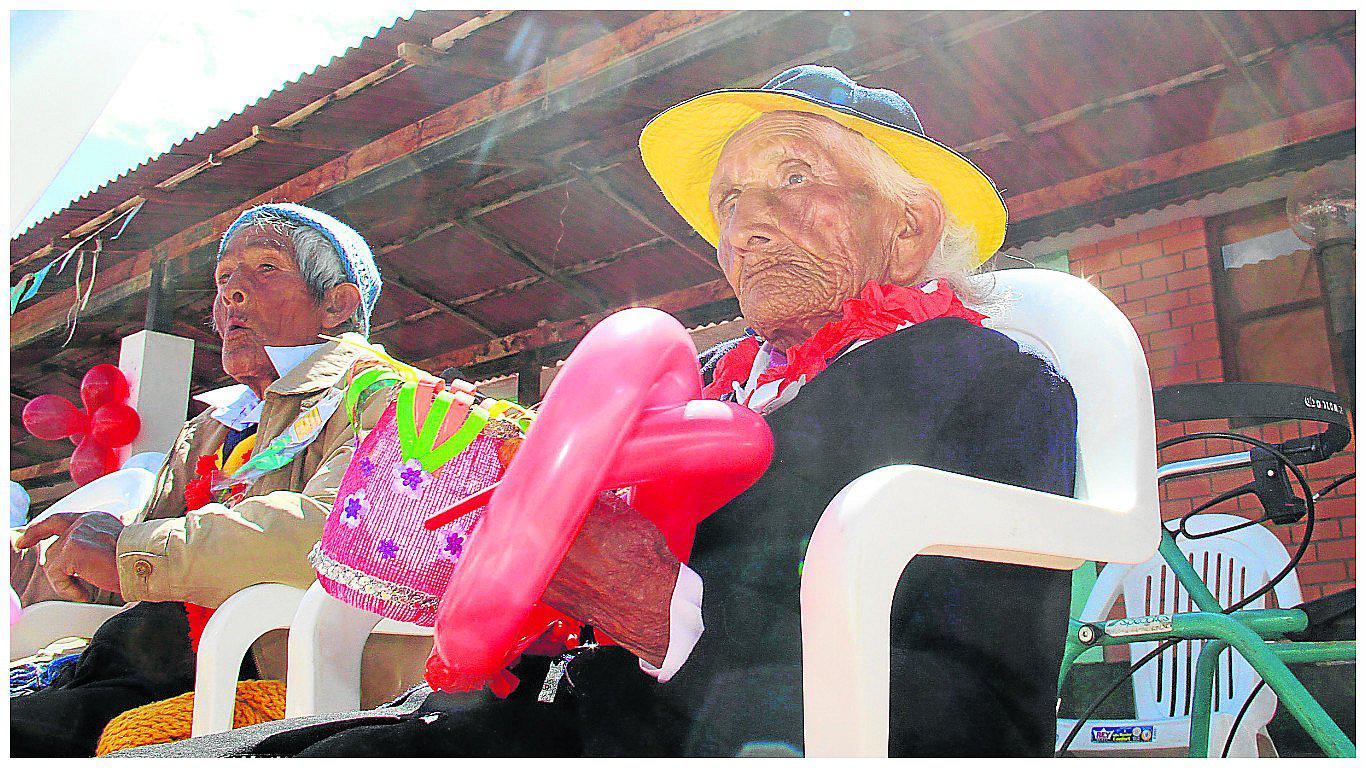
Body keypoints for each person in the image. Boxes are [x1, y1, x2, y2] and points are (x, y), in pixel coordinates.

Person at [118, 65, 1078, 758]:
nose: (742, 223)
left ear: (906, 229)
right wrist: (454, 512)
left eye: (792, 178)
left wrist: (669, 613)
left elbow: (976, 720)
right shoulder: (694, 377)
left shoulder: (986, 383)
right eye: (727, 198)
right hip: (535, 712)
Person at [9, 203, 431, 756]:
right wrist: (80, 564)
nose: (231, 293)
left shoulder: (394, 397)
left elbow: (335, 536)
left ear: (336, 304)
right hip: (160, 663)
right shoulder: (210, 428)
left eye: (265, 268)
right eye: (224, 278)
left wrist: (127, 551)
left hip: (286, 680)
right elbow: (144, 558)